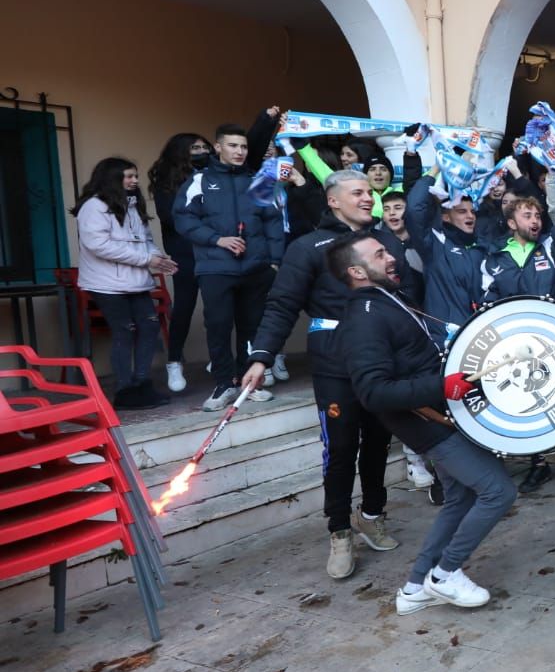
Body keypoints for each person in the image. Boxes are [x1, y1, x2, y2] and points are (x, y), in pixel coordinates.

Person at [240, 170, 417, 576]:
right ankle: (339, 531)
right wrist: (261, 357)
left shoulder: (385, 242)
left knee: (378, 443)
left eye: (370, 193)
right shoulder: (307, 247)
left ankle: (372, 514)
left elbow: (403, 298)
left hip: (382, 365)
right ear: (333, 200)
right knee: (339, 450)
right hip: (335, 366)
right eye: (358, 193)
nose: (368, 199)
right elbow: (282, 304)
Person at [331, 233, 516, 615]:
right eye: (379, 254)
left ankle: (415, 587)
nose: (390, 258)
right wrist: (443, 385)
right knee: (497, 492)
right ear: (356, 270)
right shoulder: (363, 318)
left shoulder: (386, 299)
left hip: (441, 416)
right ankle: (445, 574)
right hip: (427, 424)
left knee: (461, 498)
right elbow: (373, 392)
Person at [173, 123, 285, 411]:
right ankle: (224, 383)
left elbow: (273, 222)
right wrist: (217, 239)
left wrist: (274, 261)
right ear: (218, 147)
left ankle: (249, 385)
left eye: (244, 146)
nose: (239, 151)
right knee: (219, 327)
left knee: (252, 327)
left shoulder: (258, 180)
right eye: (233, 145)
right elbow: (183, 219)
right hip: (215, 268)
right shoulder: (199, 180)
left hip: (256, 268)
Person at [480, 192, 555, 492]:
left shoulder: (553, 246)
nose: (535, 221)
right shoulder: (495, 256)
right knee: (527, 402)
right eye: (527, 216)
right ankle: (537, 465)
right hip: (517, 346)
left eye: (537, 216)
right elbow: (489, 300)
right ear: (512, 223)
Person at [73, 158, 179, 409]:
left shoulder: (132, 205)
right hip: (106, 284)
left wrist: (158, 259)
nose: (135, 181)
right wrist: (146, 259)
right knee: (125, 332)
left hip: (136, 282)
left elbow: (146, 239)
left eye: (135, 175)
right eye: (129, 176)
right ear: (111, 178)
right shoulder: (94, 206)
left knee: (150, 328)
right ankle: (124, 391)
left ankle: (142, 385)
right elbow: (98, 245)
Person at [149, 133, 213, 394]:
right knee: (184, 307)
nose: (201, 152)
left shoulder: (213, 174)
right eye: (194, 148)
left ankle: (218, 358)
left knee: (217, 306)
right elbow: (170, 218)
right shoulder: (166, 181)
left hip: (211, 248)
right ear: (180, 152)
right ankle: (174, 362)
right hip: (184, 251)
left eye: (204, 147)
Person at [404, 164, 487, 330]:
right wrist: (435, 170)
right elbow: (414, 210)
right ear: (446, 217)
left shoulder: (484, 247)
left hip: (480, 334)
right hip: (444, 336)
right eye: (462, 212)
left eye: (472, 211)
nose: (470, 216)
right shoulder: (434, 244)